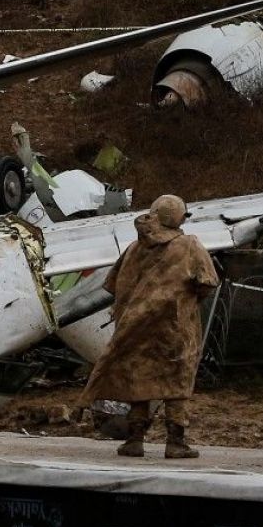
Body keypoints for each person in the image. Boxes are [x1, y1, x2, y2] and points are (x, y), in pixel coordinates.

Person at [82, 194, 219, 459]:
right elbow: (208, 281)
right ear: (179, 217)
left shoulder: (135, 248)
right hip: (176, 328)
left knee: (138, 382)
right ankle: (175, 442)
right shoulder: (189, 245)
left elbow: (113, 285)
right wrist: (186, 301)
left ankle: (135, 440)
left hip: (137, 328)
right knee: (177, 383)